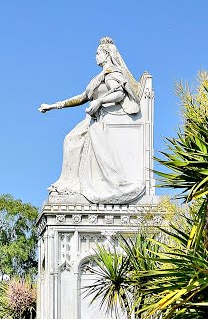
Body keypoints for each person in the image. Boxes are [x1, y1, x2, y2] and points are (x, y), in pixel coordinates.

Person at [39, 37, 146, 203]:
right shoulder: (100, 76)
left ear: (107, 54)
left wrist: (99, 101)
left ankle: (72, 185)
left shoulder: (111, 74)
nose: (96, 56)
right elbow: (82, 97)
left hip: (102, 119)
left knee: (72, 140)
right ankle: (70, 183)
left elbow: (119, 94)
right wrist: (54, 106)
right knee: (71, 139)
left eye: (98, 53)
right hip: (94, 118)